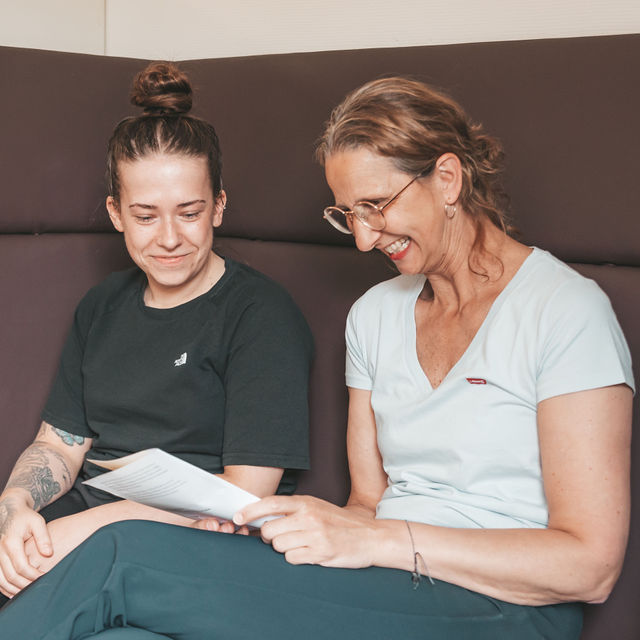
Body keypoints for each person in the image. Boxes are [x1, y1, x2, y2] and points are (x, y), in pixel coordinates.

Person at [0, 77, 633, 640]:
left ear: (447, 178)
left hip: (503, 602)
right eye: (347, 214)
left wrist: (377, 539)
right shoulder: (376, 315)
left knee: (120, 556)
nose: (361, 238)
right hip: (385, 577)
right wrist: (314, 525)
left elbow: (590, 567)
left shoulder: (566, 311)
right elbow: (367, 505)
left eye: (376, 206)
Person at [0, 62, 313, 604]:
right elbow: (59, 445)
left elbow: (243, 501)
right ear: (116, 213)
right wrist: (16, 507)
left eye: (189, 213)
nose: (169, 238)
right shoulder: (101, 305)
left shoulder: (261, 315)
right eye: (145, 216)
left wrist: (105, 523)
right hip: (89, 524)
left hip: (198, 543)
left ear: (218, 205)